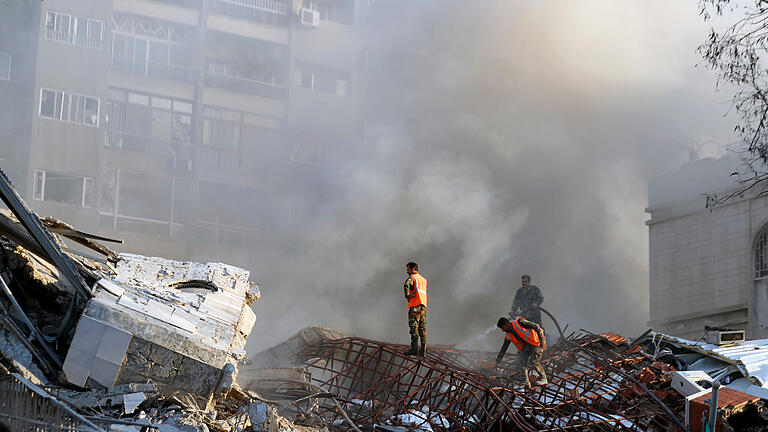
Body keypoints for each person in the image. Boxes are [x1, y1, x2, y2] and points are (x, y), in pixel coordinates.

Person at [495, 316, 548, 388]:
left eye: (502, 328)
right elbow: (504, 348)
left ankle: (544, 379)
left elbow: (536, 326)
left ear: (506, 325)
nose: (503, 330)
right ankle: (526, 383)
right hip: (526, 346)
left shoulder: (520, 322)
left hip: (536, 343)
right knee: (521, 361)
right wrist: (498, 360)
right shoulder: (508, 335)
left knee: (534, 361)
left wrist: (543, 341)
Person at [403, 261, 427, 357]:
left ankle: (414, 349)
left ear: (413, 269)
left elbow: (406, 285)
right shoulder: (423, 279)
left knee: (414, 328)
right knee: (422, 329)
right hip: (423, 307)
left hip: (415, 306)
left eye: (408, 269)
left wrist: (408, 296)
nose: (407, 272)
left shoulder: (412, 278)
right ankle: (423, 351)